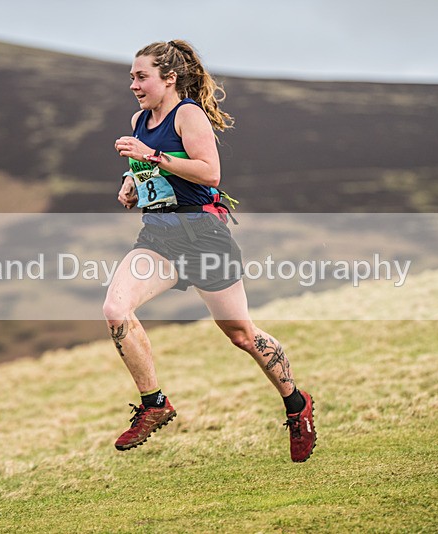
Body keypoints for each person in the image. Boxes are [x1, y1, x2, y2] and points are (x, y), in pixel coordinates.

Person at [103, 40, 316, 462]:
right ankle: (154, 403)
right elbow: (145, 170)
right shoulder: (140, 119)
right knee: (115, 309)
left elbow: (209, 173)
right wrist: (131, 183)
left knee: (241, 335)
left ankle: (297, 405)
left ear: (169, 78)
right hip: (159, 237)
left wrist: (151, 155)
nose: (133, 85)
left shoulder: (189, 115)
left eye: (142, 76)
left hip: (204, 237)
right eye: (131, 77)